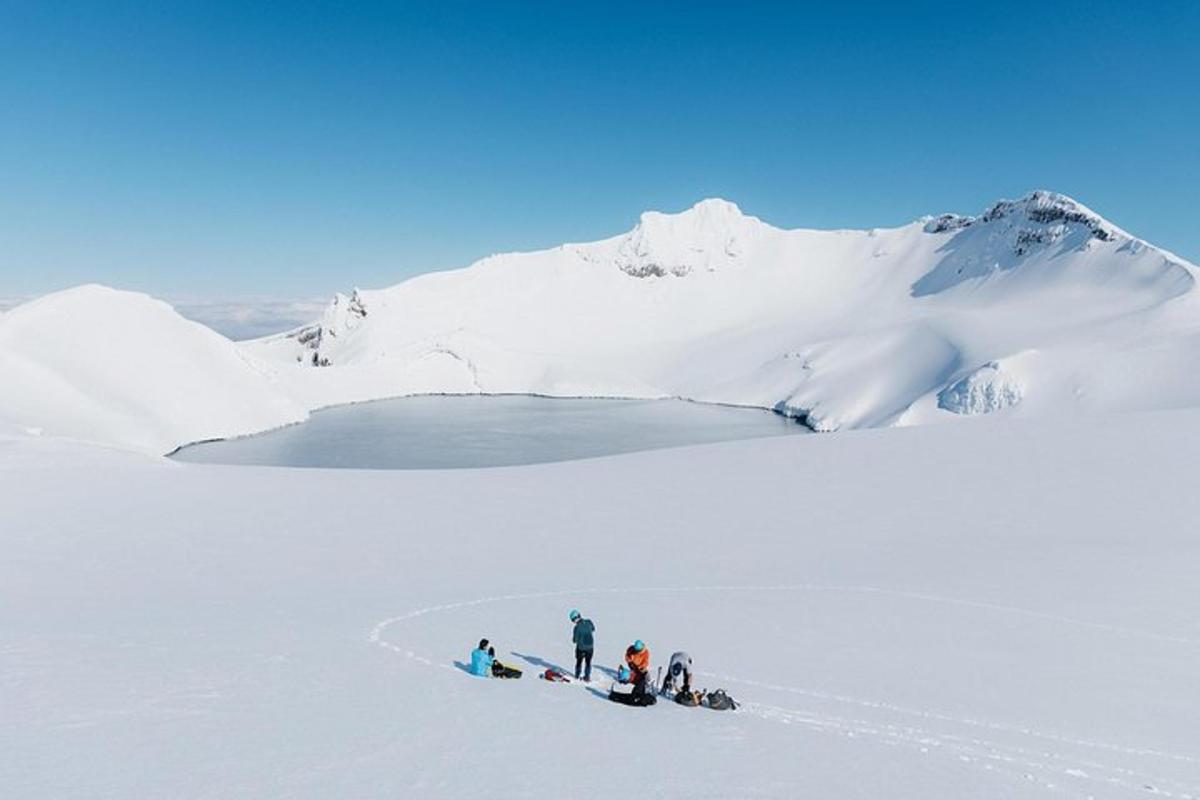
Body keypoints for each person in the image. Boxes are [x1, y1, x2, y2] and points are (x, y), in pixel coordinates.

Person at [569, 609, 595, 681]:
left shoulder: (577, 628)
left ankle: (577, 675)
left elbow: (575, 640)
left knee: (579, 661)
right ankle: (587, 677)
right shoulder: (589, 622)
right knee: (588, 662)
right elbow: (593, 629)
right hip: (590, 647)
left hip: (581, 648)